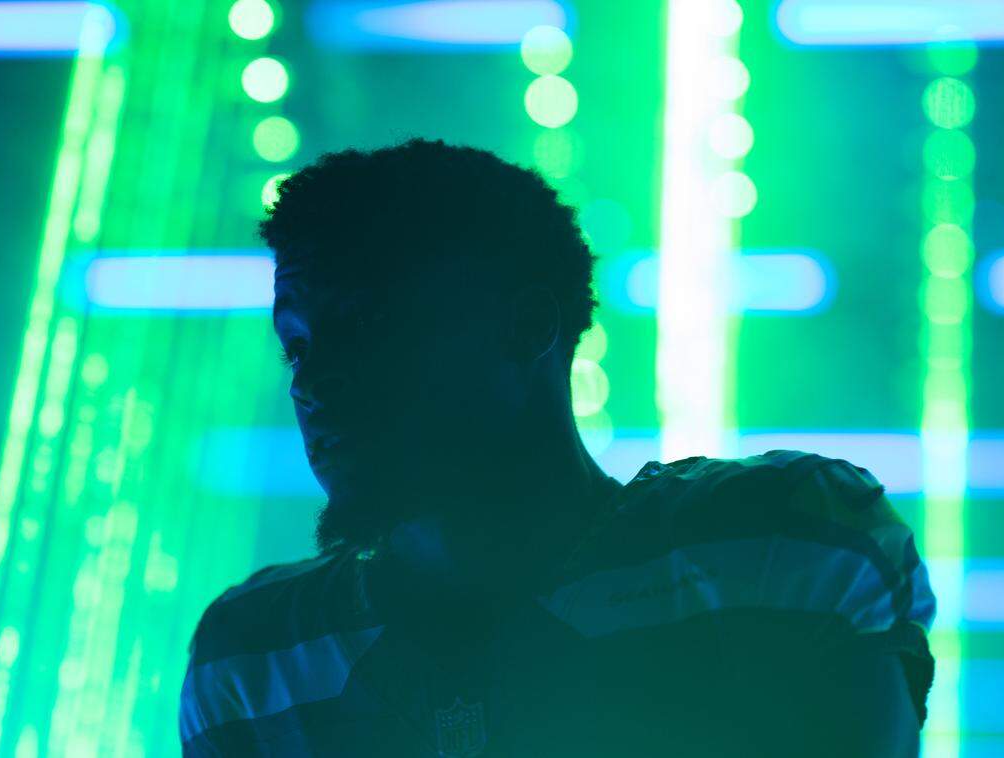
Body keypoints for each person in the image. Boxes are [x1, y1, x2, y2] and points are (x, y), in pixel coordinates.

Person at [179, 137, 937, 756]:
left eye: (368, 329)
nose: (315, 383)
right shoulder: (253, 662)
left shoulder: (786, 553)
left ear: (524, 329)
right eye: (300, 346)